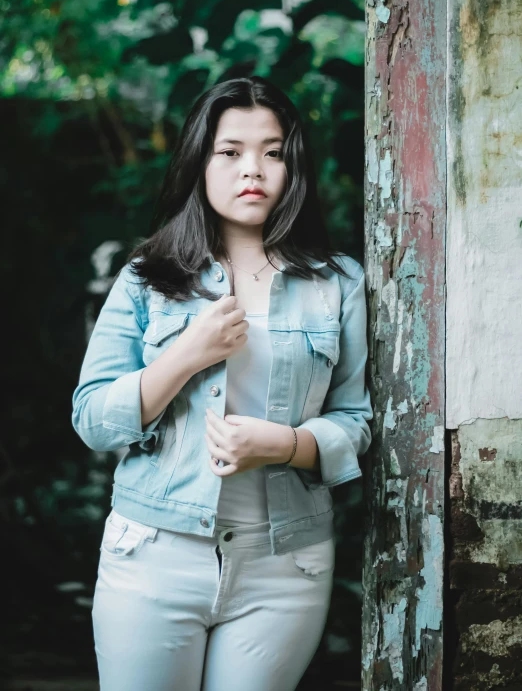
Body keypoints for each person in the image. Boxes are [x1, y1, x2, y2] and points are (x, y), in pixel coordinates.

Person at [71, 76, 372, 691]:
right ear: (199, 162)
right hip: (153, 556)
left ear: (294, 167)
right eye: (230, 152)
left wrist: (284, 445)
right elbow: (93, 419)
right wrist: (186, 355)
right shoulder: (146, 278)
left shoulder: (337, 283)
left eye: (273, 151)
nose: (252, 169)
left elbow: (355, 420)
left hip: (285, 565)